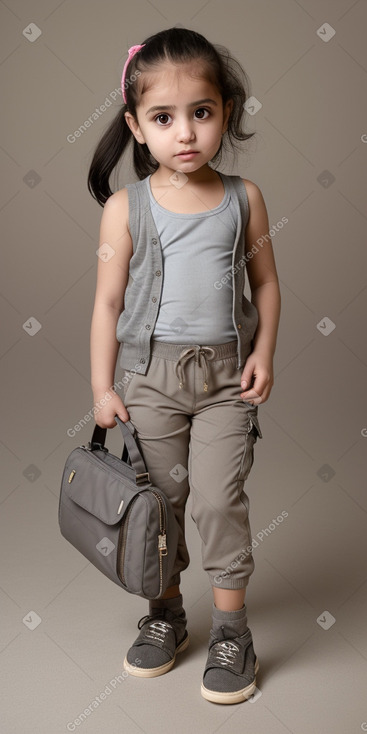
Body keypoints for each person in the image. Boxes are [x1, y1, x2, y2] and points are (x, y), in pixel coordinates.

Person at [88, 26, 281, 705]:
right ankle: (165, 614)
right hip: (149, 382)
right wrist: (102, 387)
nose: (186, 132)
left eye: (201, 111)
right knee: (160, 507)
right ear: (136, 127)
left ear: (225, 111)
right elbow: (108, 301)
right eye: (163, 118)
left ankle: (233, 631)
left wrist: (262, 353)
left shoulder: (243, 198)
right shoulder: (126, 208)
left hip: (226, 381)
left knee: (219, 500)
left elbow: (265, 286)